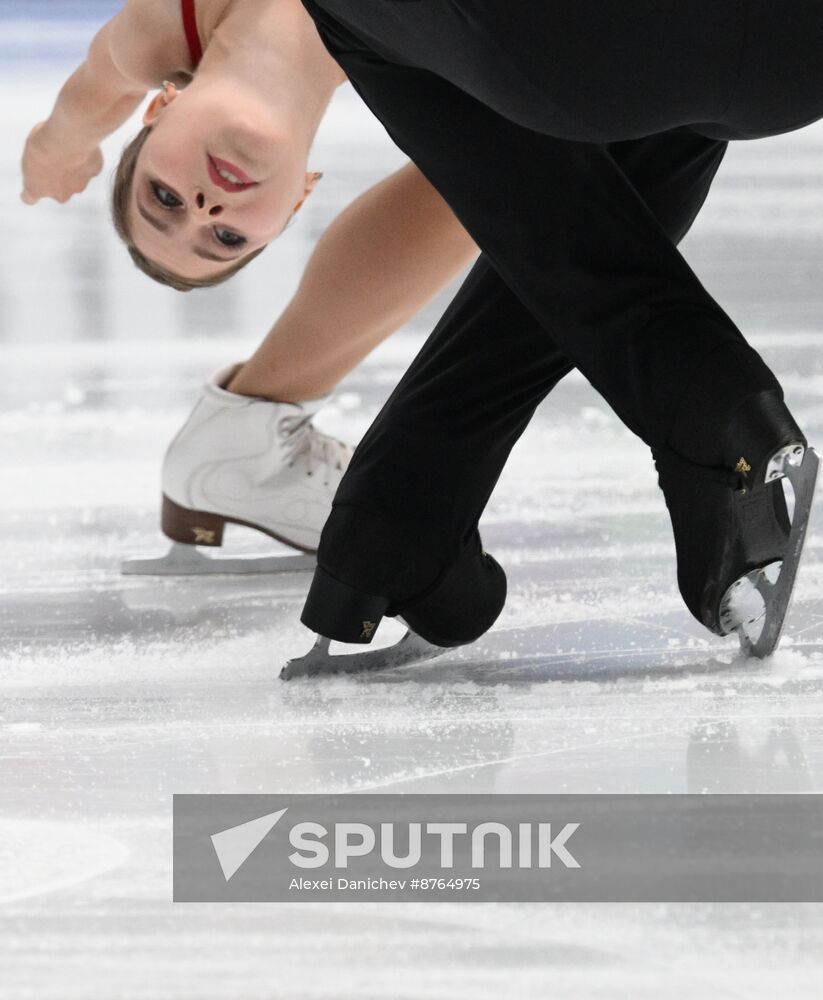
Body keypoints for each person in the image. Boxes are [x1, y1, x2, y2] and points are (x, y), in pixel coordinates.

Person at [18, 0, 812, 666]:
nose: (205, 209)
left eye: (163, 197)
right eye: (226, 241)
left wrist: (58, 144)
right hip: (771, 61)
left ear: (159, 108)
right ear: (297, 202)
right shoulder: (454, 91)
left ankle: (393, 520)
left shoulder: (166, 29)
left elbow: (90, 93)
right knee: (535, 178)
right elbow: (527, 222)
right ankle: (388, 513)